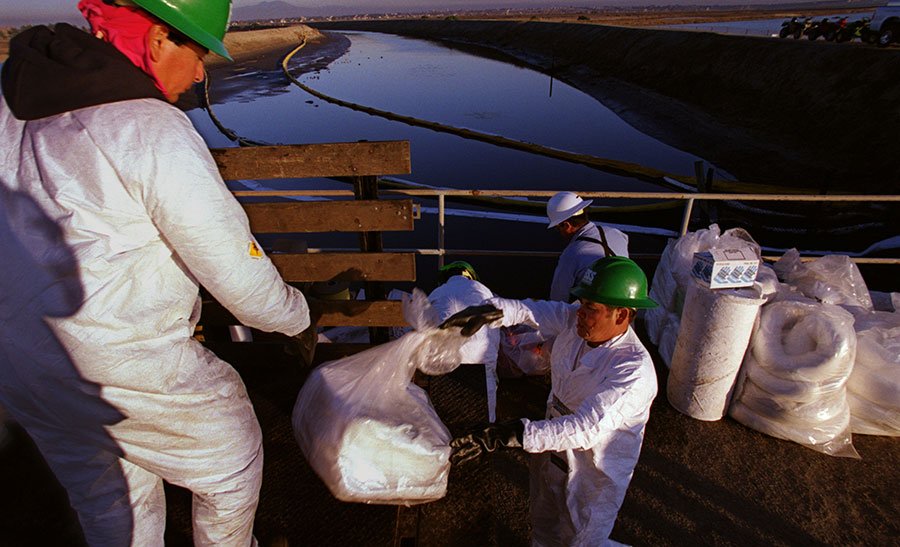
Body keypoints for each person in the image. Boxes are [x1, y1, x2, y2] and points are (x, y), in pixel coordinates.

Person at [0, 1, 310, 544]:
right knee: (232, 465)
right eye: (197, 54)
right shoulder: (147, 127)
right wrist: (298, 316)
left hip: (23, 366)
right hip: (120, 366)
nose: (199, 73)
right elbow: (240, 277)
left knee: (112, 500)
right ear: (159, 38)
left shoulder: (9, 107)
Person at [447, 256, 659, 546]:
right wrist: (490, 312)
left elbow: (586, 428)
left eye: (591, 308)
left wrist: (513, 433)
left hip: (591, 472)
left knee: (582, 539)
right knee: (543, 522)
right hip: (550, 449)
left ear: (621, 315)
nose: (580, 313)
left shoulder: (634, 371)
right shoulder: (576, 322)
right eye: (582, 303)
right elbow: (530, 310)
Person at [428, 261, 501, 421]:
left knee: (443, 421)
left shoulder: (436, 293)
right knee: (483, 421)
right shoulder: (485, 291)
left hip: (443, 361)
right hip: (480, 362)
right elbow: (495, 336)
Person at [546, 191, 629, 302]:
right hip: (627, 301)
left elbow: (558, 299)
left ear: (566, 225)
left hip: (599, 313)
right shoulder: (617, 233)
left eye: (558, 228)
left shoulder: (571, 254)